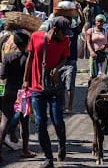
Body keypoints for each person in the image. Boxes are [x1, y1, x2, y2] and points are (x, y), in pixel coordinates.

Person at [22, 16, 71, 168]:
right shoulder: (36, 37)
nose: (66, 35)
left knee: (57, 120)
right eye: (64, 32)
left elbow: (64, 58)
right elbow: (30, 58)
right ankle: (48, 158)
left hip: (55, 87)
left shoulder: (65, 41)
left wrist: (58, 68)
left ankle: (62, 144)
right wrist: (25, 80)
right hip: (37, 88)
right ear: (55, 30)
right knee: (40, 124)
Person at [0, 31, 36, 162]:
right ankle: (25, 150)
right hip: (24, 94)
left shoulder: (7, 57)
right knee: (24, 122)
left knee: (4, 121)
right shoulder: (29, 57)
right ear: (27, 43)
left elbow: (2, 76)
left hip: (9, 91)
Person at [60, 2, 85, 113]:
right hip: (59, 62)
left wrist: (79, 10)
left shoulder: (74, 31)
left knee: (70, 86)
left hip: (71, 61)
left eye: (69, 20)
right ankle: (63, 105)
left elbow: (82, 22)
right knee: (61, 87)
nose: (68, 22)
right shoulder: (60, 32)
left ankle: (69, 107)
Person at [86, 14, 108, 79]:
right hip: (94, 55)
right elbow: (88, 42)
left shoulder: (106, 31)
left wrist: (106, 46)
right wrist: (91, 52)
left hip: (104, 56)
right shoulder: (90, 31)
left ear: (104, 22)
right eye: (98, 21)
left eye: (101, 21)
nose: (99, 23)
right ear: (95, 21)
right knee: (93, 75)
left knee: (103, 76)